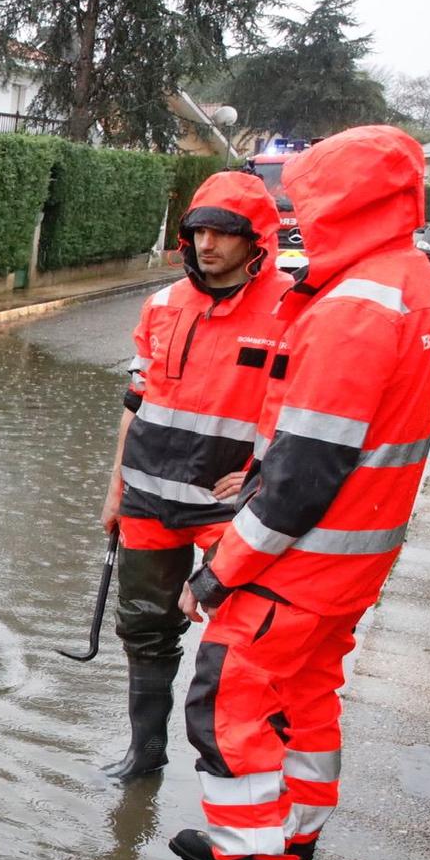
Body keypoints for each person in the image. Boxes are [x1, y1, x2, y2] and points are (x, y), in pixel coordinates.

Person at [160, 126, 430, 860]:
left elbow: (301, 476)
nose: (297, 217)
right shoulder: (417, 283)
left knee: (230, 702)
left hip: (301, 559)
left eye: (307, 201)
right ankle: (285, 849)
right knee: (307, 701)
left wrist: (221, 568)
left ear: (344, 201)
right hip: (356, 553)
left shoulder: (356, 308)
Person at [96, 172, 294, 782]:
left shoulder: (294, 308)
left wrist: (262, 476)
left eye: (223, 233)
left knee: (241, 640)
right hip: (149, 497)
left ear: (255, 238)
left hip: (229, 509)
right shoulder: (161, 305)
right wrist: (115, 489)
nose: (208, 244)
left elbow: (307, 418)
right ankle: (145, 752)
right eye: (198, 230)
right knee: (145, 627)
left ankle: (237, 774)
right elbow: (136, 404)